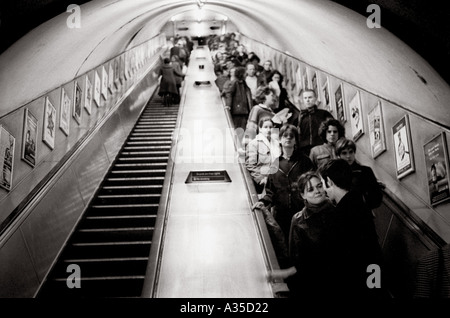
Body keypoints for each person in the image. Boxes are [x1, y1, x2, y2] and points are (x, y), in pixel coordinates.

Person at [317, 159, 386, 298]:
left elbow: (339, 263)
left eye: (321, 184)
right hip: (373, 275)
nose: (322, 189)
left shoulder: (338, 215)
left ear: (329, 181)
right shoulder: (359, 203)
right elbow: (373, 251)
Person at [253, 124, 315, 264]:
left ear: (295, 141)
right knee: (287, 251)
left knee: (307, 251)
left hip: (304, 213)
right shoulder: (275, 164)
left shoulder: (305, 161)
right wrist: (263, 202)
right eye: (284, 136)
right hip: (282, 216)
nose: (288, 138)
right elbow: (270, 192)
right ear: (280, 140)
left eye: (291, 136)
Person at [268, 171, 335, 298]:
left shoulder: (337, 209)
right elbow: (297, 259)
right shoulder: (299, 221)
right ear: (302, 195)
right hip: (314, 282)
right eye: (310, 189)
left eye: (319, 186)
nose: (317, 191)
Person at [336, 138, 383, 211]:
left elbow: (377, 197)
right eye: (344, 153)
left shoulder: (365, 171)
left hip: (364, 214)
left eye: (351, 152)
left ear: (354, 153)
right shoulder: (336, 174)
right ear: (338, 156)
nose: (348, 156)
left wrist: (364, 203)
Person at [245, 117, 281, 194]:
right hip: (263, 182)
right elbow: (250, 165)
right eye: (265, 127)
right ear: (260, 129)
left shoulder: (277, 144)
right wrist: (261, 179)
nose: (268, 130)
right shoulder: (254, 144)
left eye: (270, 127)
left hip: (277, 180)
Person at [296, 89, 334, 156]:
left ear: (315, 98)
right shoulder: (300, 117)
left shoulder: (324, 114)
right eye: (305, 98)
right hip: (304, 150)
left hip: (321, 147)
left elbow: (334, 128)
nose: (307, 100)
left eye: (310, 97)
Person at [223, 66, 253, 131]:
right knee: (239, 129)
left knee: (242, 129)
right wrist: (228, 105)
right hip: (239, 111)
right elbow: (229, 93)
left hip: (243, 111)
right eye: (245, 73)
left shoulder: (243, 83)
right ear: (241, 74)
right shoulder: (235, 83)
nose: (246, 74)